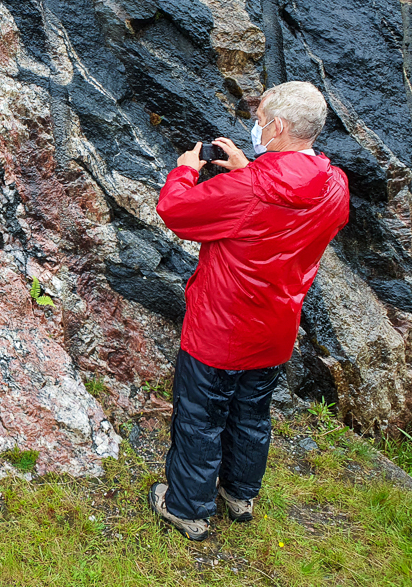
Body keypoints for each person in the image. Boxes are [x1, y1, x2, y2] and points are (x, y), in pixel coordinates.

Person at [147, 80, 350, 541]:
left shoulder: (252, 189)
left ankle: (186, 508)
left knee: (200, 417)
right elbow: (284, 207)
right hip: (277, 325)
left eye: (259, 123)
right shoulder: (335, 186)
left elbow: (177, 211)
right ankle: (240, 494)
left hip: (219, 329)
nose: (255, 130)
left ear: (277, 127)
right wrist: (250, 170)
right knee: (252, 414)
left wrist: (183, 171)